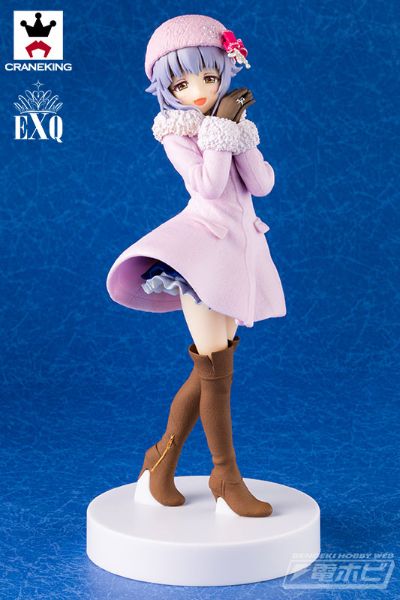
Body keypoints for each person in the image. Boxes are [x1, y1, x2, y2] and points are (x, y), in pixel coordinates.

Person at [106, 14, 287, 517]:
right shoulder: (177, 133)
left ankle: (158, 462)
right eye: (182, 85)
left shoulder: (230, 123)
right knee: (216, 369)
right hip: (199, 254)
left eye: (209, 77)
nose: (199, 92)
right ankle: (225, 477)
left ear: (225, 71)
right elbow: (208, 186)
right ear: (166, 91)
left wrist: (239, 133)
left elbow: (262, 184)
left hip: (234, 252)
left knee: (212, 366)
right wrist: (220, 130)